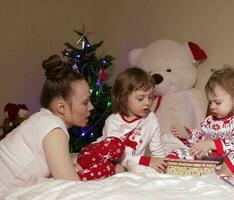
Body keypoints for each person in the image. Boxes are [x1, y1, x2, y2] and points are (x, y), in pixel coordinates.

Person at [0, 55, 94, 195]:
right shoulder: (53, 128)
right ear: (61, 107)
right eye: (85, 102)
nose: (91, 107)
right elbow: (72, 187)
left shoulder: (41, 119)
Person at [167, 65, 234, 176]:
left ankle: (222, 174)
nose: (212, 106)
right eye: (210, 102)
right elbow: (202, 137)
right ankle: (167, 167)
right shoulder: (209, 121)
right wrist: (186, 134)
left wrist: (211, 144)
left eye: (217, 102)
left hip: (230, 161)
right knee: (183, 152)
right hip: (211, 160)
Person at [77, 67, 167, 174]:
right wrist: (146, 161)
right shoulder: (113, 121)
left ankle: (84, 176)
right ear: (123, 98)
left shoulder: (151, 118)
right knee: (115, 155)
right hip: (94, 156)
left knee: (114, 170)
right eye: (140, 98)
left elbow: (158, 151)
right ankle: (78, 168)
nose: (147, 102)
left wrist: (163, 165)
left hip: (117, 164)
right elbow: (116, 155)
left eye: (151, 97)